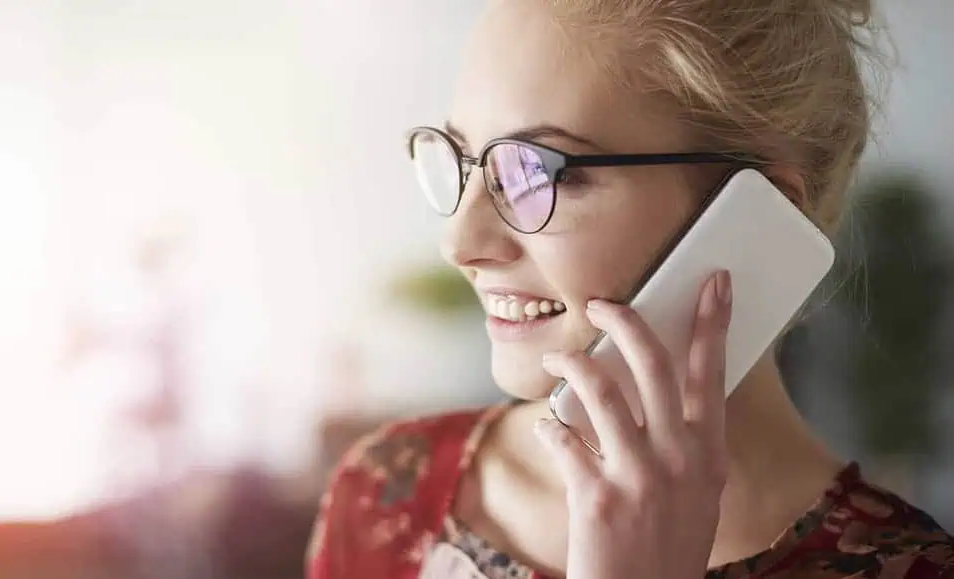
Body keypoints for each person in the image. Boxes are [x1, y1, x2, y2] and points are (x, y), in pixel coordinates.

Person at [305, 0, 954, 577]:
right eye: (463, 157)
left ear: (757, 213)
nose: (460, 243)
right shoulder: (386, 489)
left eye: (538, 172)